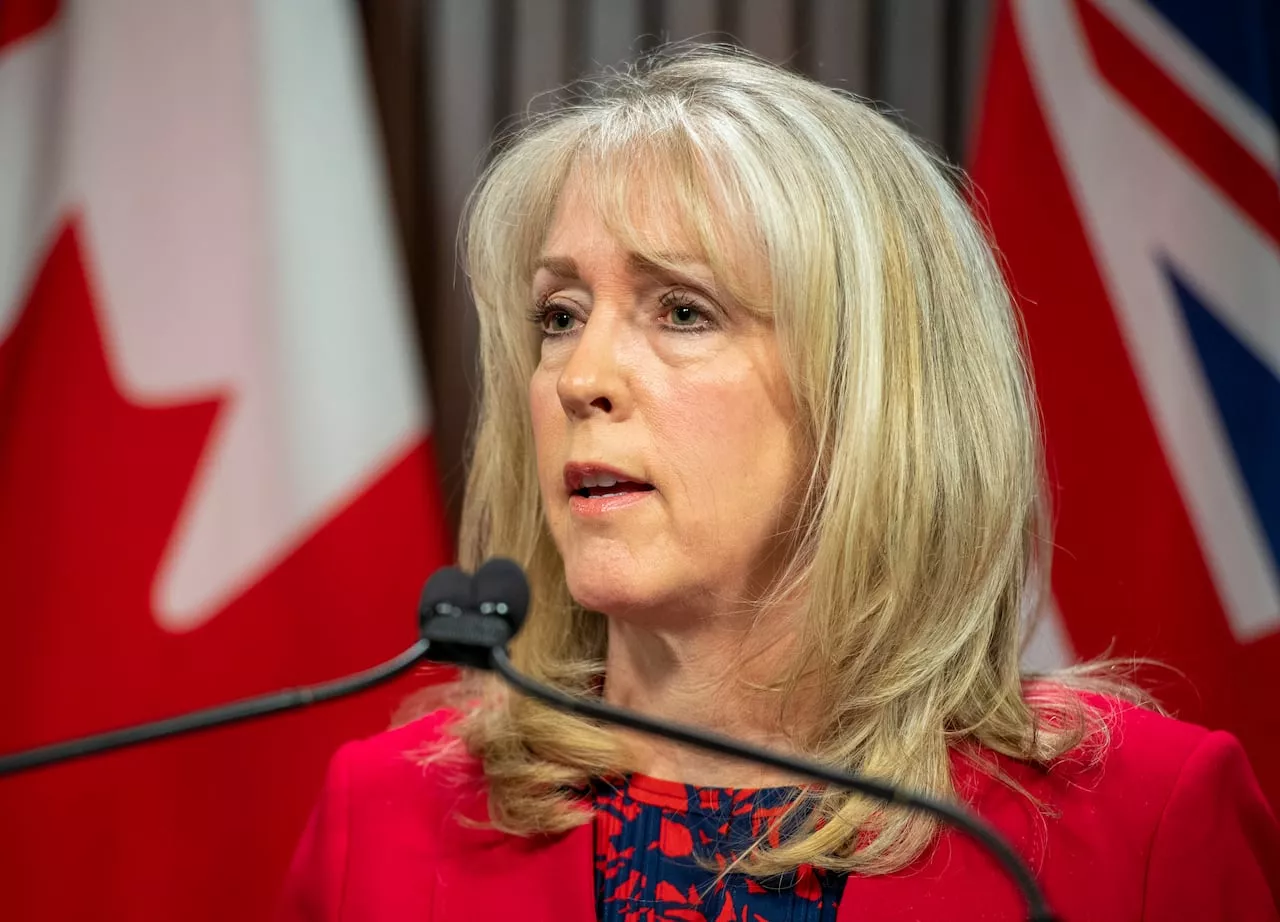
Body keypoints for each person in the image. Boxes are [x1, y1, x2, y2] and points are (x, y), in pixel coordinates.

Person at [277, 46, 1280, 922]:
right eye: (560, 315)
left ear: (869, 395)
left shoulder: (1141, 823)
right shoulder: (386, 816)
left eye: (682, 310)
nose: (580, 378)